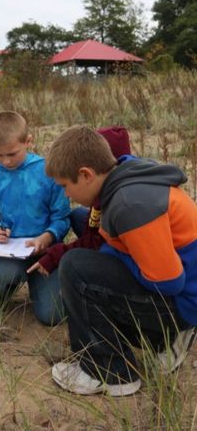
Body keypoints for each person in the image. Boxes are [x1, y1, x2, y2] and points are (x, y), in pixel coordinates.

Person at [46, 125, 197, 397]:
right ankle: (166, 339)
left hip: (182, 302)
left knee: (76, 268)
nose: (66, 194)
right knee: (89, 256)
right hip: (185, 290)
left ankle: (109, 373)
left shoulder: (130, 206)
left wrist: (105, 260)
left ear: (86, 175)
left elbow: (169, 282)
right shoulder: (126, 175)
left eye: (66, 186)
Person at [0, 111, 70, 325]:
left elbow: (62, 216)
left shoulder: (48, 171)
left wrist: (48, 236)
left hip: (45, 252)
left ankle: (40, 286)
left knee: (52, 317)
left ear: (28, 141)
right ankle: (1, 289)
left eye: (12, 154)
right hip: (10, 255)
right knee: (7, 275)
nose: (6, 161)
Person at [27, 126, 131, 278]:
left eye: (65, 186)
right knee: (78, 215)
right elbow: (92, 236)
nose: (66, 194)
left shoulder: (121, 204)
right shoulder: (102, 196)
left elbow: (96, 242)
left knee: (73, 262)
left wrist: (59, 255)